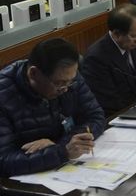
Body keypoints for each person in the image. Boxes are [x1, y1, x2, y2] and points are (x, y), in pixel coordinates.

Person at [0, 38, 105, 177]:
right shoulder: (4, 94)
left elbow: (95, 116)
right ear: (33, 74)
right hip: (21, 184)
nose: (65, 89)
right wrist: (63, 152)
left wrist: (61, 144)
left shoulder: (68, 77)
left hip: (58, 168)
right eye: (59, 83)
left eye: (70, 82)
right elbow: (4, 161)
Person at [81, 4, 136, 116]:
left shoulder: (134, 44)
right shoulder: (96, 58)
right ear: (116, 34)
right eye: (135, 36)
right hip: (120, 117)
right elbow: (109, 103)